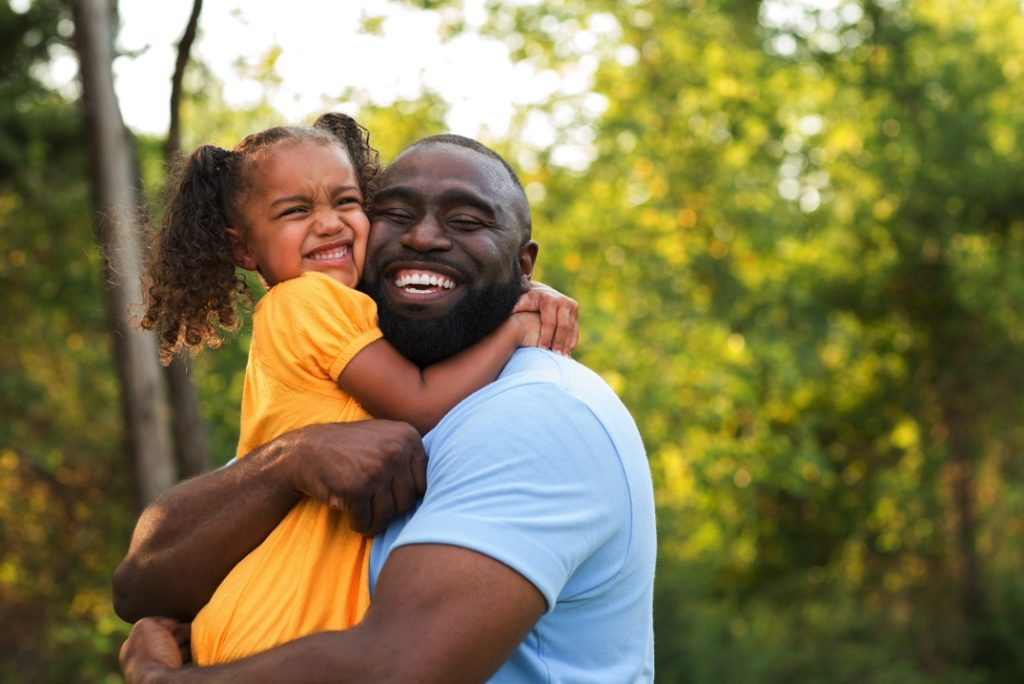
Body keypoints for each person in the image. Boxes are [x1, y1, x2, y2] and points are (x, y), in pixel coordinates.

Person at [115, 133, 656, 683]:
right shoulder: (339, 396)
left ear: (524, 265)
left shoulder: (540, 414)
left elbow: (396, 670)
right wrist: (288, 462)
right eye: (393, 213)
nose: (421, 237)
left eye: (467, 222)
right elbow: (139, 585)